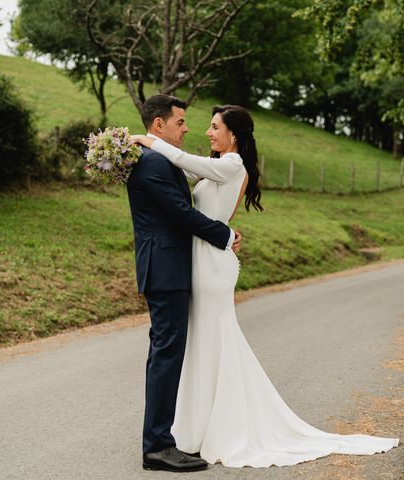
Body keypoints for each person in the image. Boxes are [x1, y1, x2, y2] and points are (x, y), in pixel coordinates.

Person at [131, 104, 399, 468]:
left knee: (213, 340)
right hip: (198, 259)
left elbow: (186, 165)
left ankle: (219, 429)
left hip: (211, 265)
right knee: (202, 343)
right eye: (200, 125)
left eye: (214, 127)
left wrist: (146, 140)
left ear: (233, 136)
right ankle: (194, 430)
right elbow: (184, 196)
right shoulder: (212, 169)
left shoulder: (232, 164)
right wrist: (224, 231)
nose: (206, 132)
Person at [126, 94, 241, 473]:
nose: (187, 128)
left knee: (166, 353)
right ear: (158, 125)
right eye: (180, 122)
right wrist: (223, 235)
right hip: (166, 268)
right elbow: (180, 214)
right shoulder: (154, 163)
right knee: (166, 354)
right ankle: (157, 446)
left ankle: (163, 439)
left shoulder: (160, 159)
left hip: (170, 267)